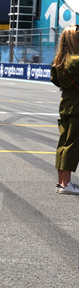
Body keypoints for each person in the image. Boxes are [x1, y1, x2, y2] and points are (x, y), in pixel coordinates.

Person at [52, 25, 79, 195]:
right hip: (77, 104)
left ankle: (62, 182)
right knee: (72, 144)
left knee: (63, 143)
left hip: (66, 104)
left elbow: (55, 81)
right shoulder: (76, 60)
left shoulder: (58, 62)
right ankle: (67, 184)